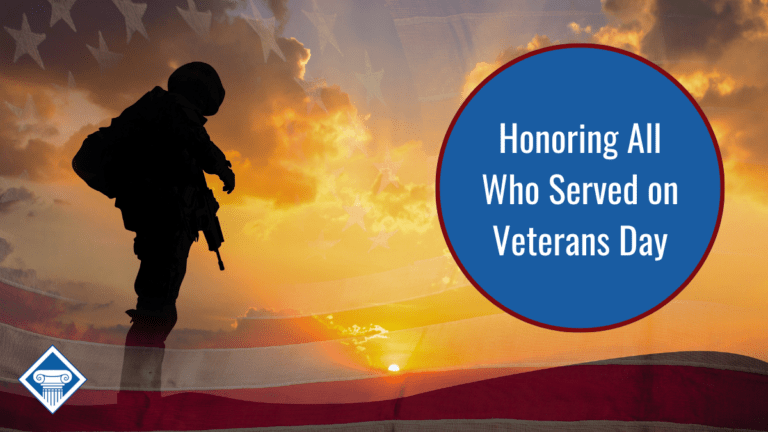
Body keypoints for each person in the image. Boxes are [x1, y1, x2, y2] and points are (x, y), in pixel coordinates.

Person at [108, 62, 234, 404]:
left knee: (158, 312)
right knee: (155, 313)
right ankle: (137, 400)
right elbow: (199, 141)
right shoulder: (174, 111)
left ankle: (140, 395)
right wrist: (222, 167)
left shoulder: (167, 123)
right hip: (164, 229)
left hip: (167, 229)